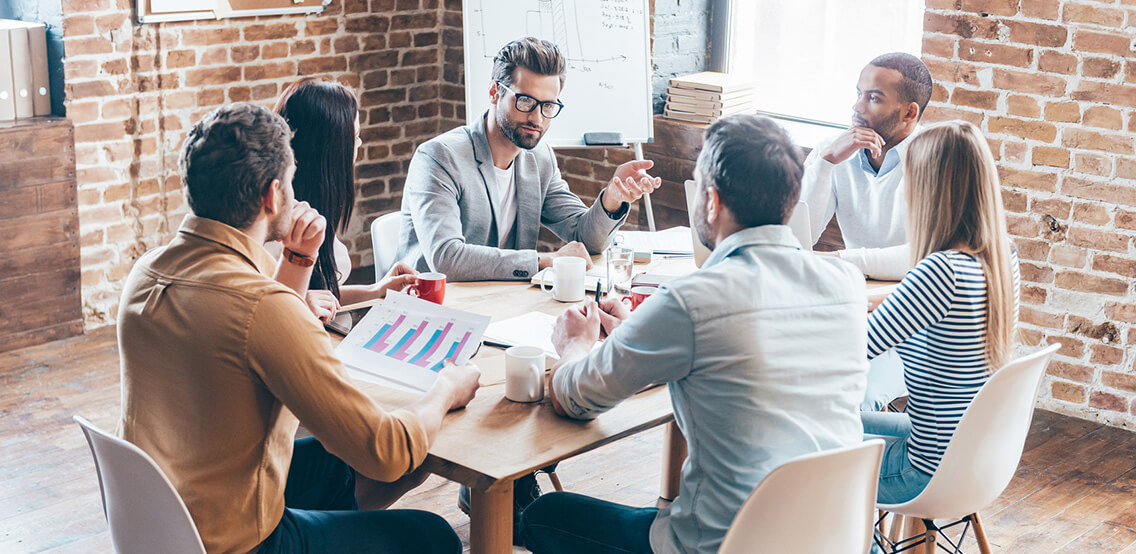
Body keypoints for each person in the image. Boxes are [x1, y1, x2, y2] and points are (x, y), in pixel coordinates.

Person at [117, 103, 481, 553]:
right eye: (291, 180)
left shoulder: (146, 273)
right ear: (273, 196)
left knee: (336, 466)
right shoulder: (265, 308)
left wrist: (297, 261)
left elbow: (242, 326)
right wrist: (445, 387)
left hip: (170, 516)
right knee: (433, 535)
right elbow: (387, 453)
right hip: (239, 541)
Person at [521, 114, 871, 554]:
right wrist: (637, 332)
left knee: (543, 516)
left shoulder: (693, 300)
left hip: (724, 545)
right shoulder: (846, 285)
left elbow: (574, 398)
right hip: (834, 538)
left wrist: (574, 346)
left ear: (712, 201)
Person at [398, 37, 661, 282]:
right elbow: (445, 259)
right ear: (494, 92)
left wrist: (613, 198)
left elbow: (584, 237)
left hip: (503, 302)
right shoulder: (439, 157)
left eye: (548, 106)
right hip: (434, 309)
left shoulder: (540, 158)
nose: (537, 118)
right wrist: (546, 260)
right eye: (525, 101)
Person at [862, 120, 1019, 507]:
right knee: (830, 429)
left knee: (795, 451)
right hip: (972, 460)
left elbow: (850, 349)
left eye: (908, 179)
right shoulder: (1001, 257)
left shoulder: (941, 272)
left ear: (930, 189)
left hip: (922, 469)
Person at [800, 52, 934, 410]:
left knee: (847, 393)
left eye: (873, 98)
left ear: (909, 113)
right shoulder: (835, 150)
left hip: (916, 320)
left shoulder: (937, 159)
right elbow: (798, 239)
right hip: (857, 306)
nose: (857, 107)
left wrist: (840, 261)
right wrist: (826, 162)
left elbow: (924, 256)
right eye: (859, 93)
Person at [272, 78, 417, 323]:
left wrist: (377, 289)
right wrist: (297, 303)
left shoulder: (309, 205)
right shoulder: (282, 227)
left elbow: (320, 295)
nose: (358, 145)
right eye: (354, 137)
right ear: (329, 150)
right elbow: (278, 311)